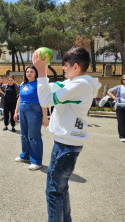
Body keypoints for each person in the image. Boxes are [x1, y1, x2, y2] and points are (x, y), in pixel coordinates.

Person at [33, 47, 101, 221]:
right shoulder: (75, 82)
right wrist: (40, 74)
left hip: (65, 146)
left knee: (53, 191)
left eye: (65, 65)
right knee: (61, 189)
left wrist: (41, 71)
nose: (63, 68)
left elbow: (46, 100)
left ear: (76, 66)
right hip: (68, 144)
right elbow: (49, 88)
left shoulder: (80, 84)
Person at [14, 66, 49, 171]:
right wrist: (16, 112)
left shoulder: (39, 84)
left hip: (34, 110)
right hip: (22, 109)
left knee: (33, 136)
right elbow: (20, 98)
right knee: (23, 135)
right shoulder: (23, 84)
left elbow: (44, 101)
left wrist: (45, 116)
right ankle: (25, 155)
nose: (29, 73)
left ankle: (36, 161)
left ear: (36, 73)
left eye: (31, 72)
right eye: (27, 71)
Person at [107, 74, 125, 142]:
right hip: (120, 105)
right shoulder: (119, 87)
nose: (124, 81)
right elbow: (109, 91)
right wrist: (114, 97)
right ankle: (122, 136)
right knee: (121, 122)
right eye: (123, 79)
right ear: (122, 80)